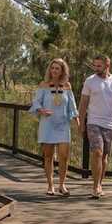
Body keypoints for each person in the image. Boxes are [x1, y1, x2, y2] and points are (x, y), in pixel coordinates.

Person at [29, 58, 80, 196]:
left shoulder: (67, 86)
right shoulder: (43, 85)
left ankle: (62, 185)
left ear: (62, 70)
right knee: (48, 156)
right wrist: (41, 110)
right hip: (47, 123)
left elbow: (72, 105)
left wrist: (76, 119)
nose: (54, 71)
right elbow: (36, 102)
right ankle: (50, 185)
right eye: (53, 68)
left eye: (57, 68)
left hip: (63, 124)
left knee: (64, 156)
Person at [78, 55, 112, 199]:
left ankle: (100, 183)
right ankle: (95, 187)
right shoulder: (90, 81)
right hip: (93, 122)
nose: (96, 68)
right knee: (97, 153)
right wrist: (81, 123)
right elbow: (83, 104)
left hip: (110, 123)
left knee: (104, 155)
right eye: (95, 65)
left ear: (107, 65)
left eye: (99, 66)